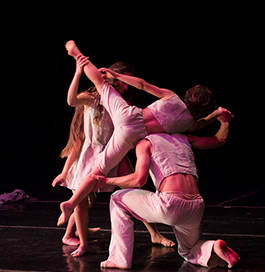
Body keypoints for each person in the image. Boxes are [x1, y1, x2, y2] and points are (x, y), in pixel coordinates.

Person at [57, 40, 224, 226]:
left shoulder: (172, 96)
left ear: (188, 94)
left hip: (127, 116)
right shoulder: (188, 124)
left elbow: (143, 85)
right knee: (98, 171)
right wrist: (215, 115)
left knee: (99, 82)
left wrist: (115, 75)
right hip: (132, 135)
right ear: (201, 109)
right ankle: (70, 203)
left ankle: (76, 53)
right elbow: (200, 125)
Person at [52, 56, 174, 257]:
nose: (126, 86)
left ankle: (154, 233)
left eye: (128, 82)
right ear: (112, 78)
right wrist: (78, 72)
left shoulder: (123, 103)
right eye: (123, 81)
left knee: (135, 189)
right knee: (82, 200)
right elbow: (71, 101)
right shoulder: (94, 98)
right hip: (95, 154)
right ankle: (79, 241)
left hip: (114, 152)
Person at [93, 109, 240, 269]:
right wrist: (224, 121)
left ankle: (119, 259)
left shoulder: (146, 142)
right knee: (189, 250)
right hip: (196, 206)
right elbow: (219, 140)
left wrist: (107, 180)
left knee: (117, 198)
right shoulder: (184, 138)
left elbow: (138, 179)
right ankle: (213, 246)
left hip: (170, 204)